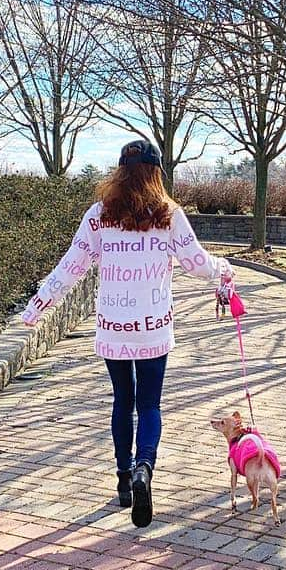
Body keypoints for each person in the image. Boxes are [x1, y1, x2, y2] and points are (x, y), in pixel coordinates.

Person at [20, 138, 234, 527]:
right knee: (149, 405)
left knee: (123, 401)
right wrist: (224, 271)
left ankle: (122, 480)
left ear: (119, 172)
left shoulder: (99, 215)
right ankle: (143, 469)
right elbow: (197, 263)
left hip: (113, 327)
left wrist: (38, 305)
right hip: (153, 328)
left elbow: (72, 267)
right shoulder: (169, 214)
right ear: (156, 173)